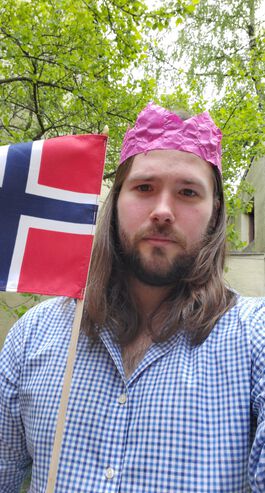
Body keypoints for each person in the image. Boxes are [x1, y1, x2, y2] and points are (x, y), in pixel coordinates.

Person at [0, 102, 265, 493]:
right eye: (144, 187)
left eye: (188, 192)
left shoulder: (253, 337)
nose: (162, 211)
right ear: (116, 203)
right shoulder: (31, 338)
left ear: (215, 213)